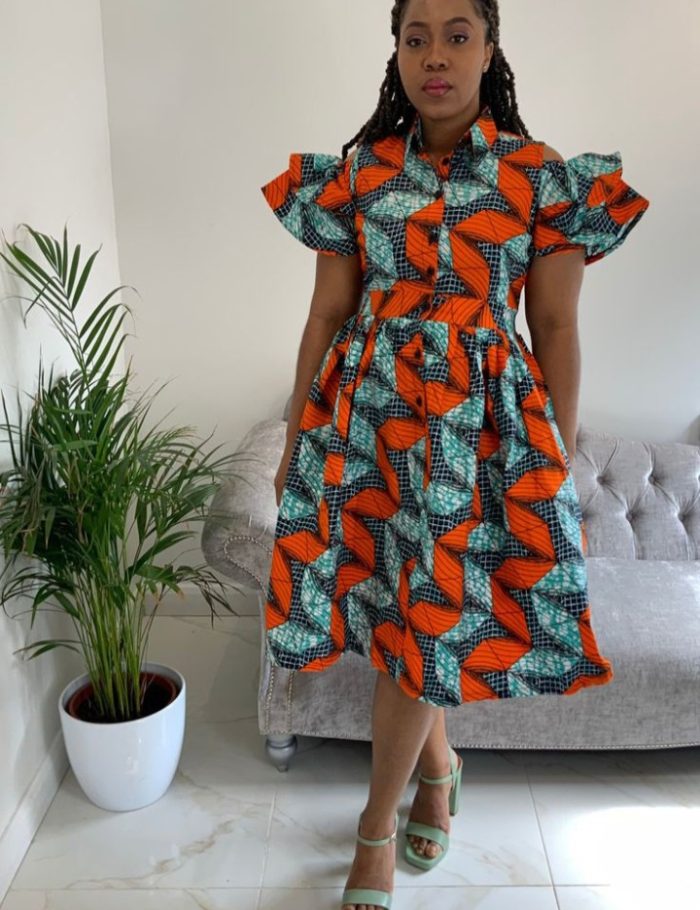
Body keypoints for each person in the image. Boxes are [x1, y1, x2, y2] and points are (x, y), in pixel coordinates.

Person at [259, 1, 650, 907]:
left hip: (478, 443)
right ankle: (439, 772)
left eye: (457, 36)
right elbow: (326, 312)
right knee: (395, 613)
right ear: (396, 53)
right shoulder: (359, 175)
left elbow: (554, 326)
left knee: (426, 618)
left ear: (489, 48)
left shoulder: (541, 177)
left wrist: (554, 455)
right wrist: (295, 436)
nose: (435, 55)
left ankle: (375, 829)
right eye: (416, 38)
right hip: (366, 431)